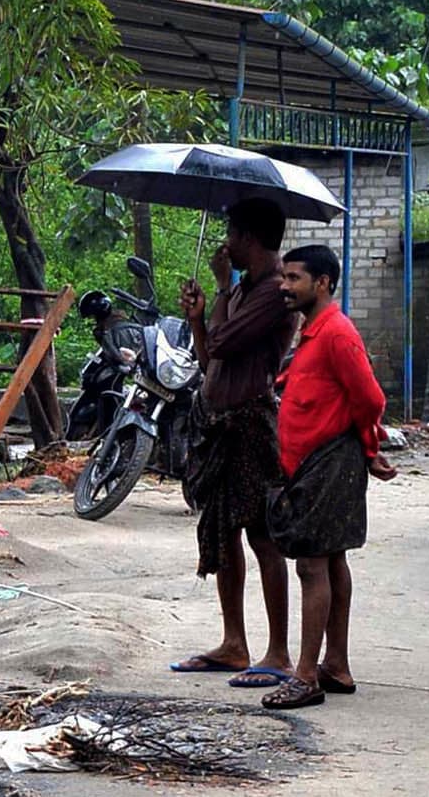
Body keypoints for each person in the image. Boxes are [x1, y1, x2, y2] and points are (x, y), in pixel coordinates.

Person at [262, 242, 395, 711]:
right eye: (283, 276)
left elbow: (370, 398)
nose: (284, 285)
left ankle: (305, 676)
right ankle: (335, 665)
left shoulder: (337, 334)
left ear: (322, 283)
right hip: (312, 460)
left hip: (329, 460)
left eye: (293, 278)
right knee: (333, 560)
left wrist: (369, 446)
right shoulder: (311, 332)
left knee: (311, 564)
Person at [169, 199, 295, 687]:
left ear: (250, 238)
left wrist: (220, 291)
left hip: (249, 423)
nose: (225, 244)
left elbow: (224, 344)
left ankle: (278, 652)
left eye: (232, 235)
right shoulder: (242, 290)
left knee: (262, 534)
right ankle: (234, 643)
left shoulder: (272, 291)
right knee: (223, 533)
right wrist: (201, 315)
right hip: (217, 420)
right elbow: (207, 357)